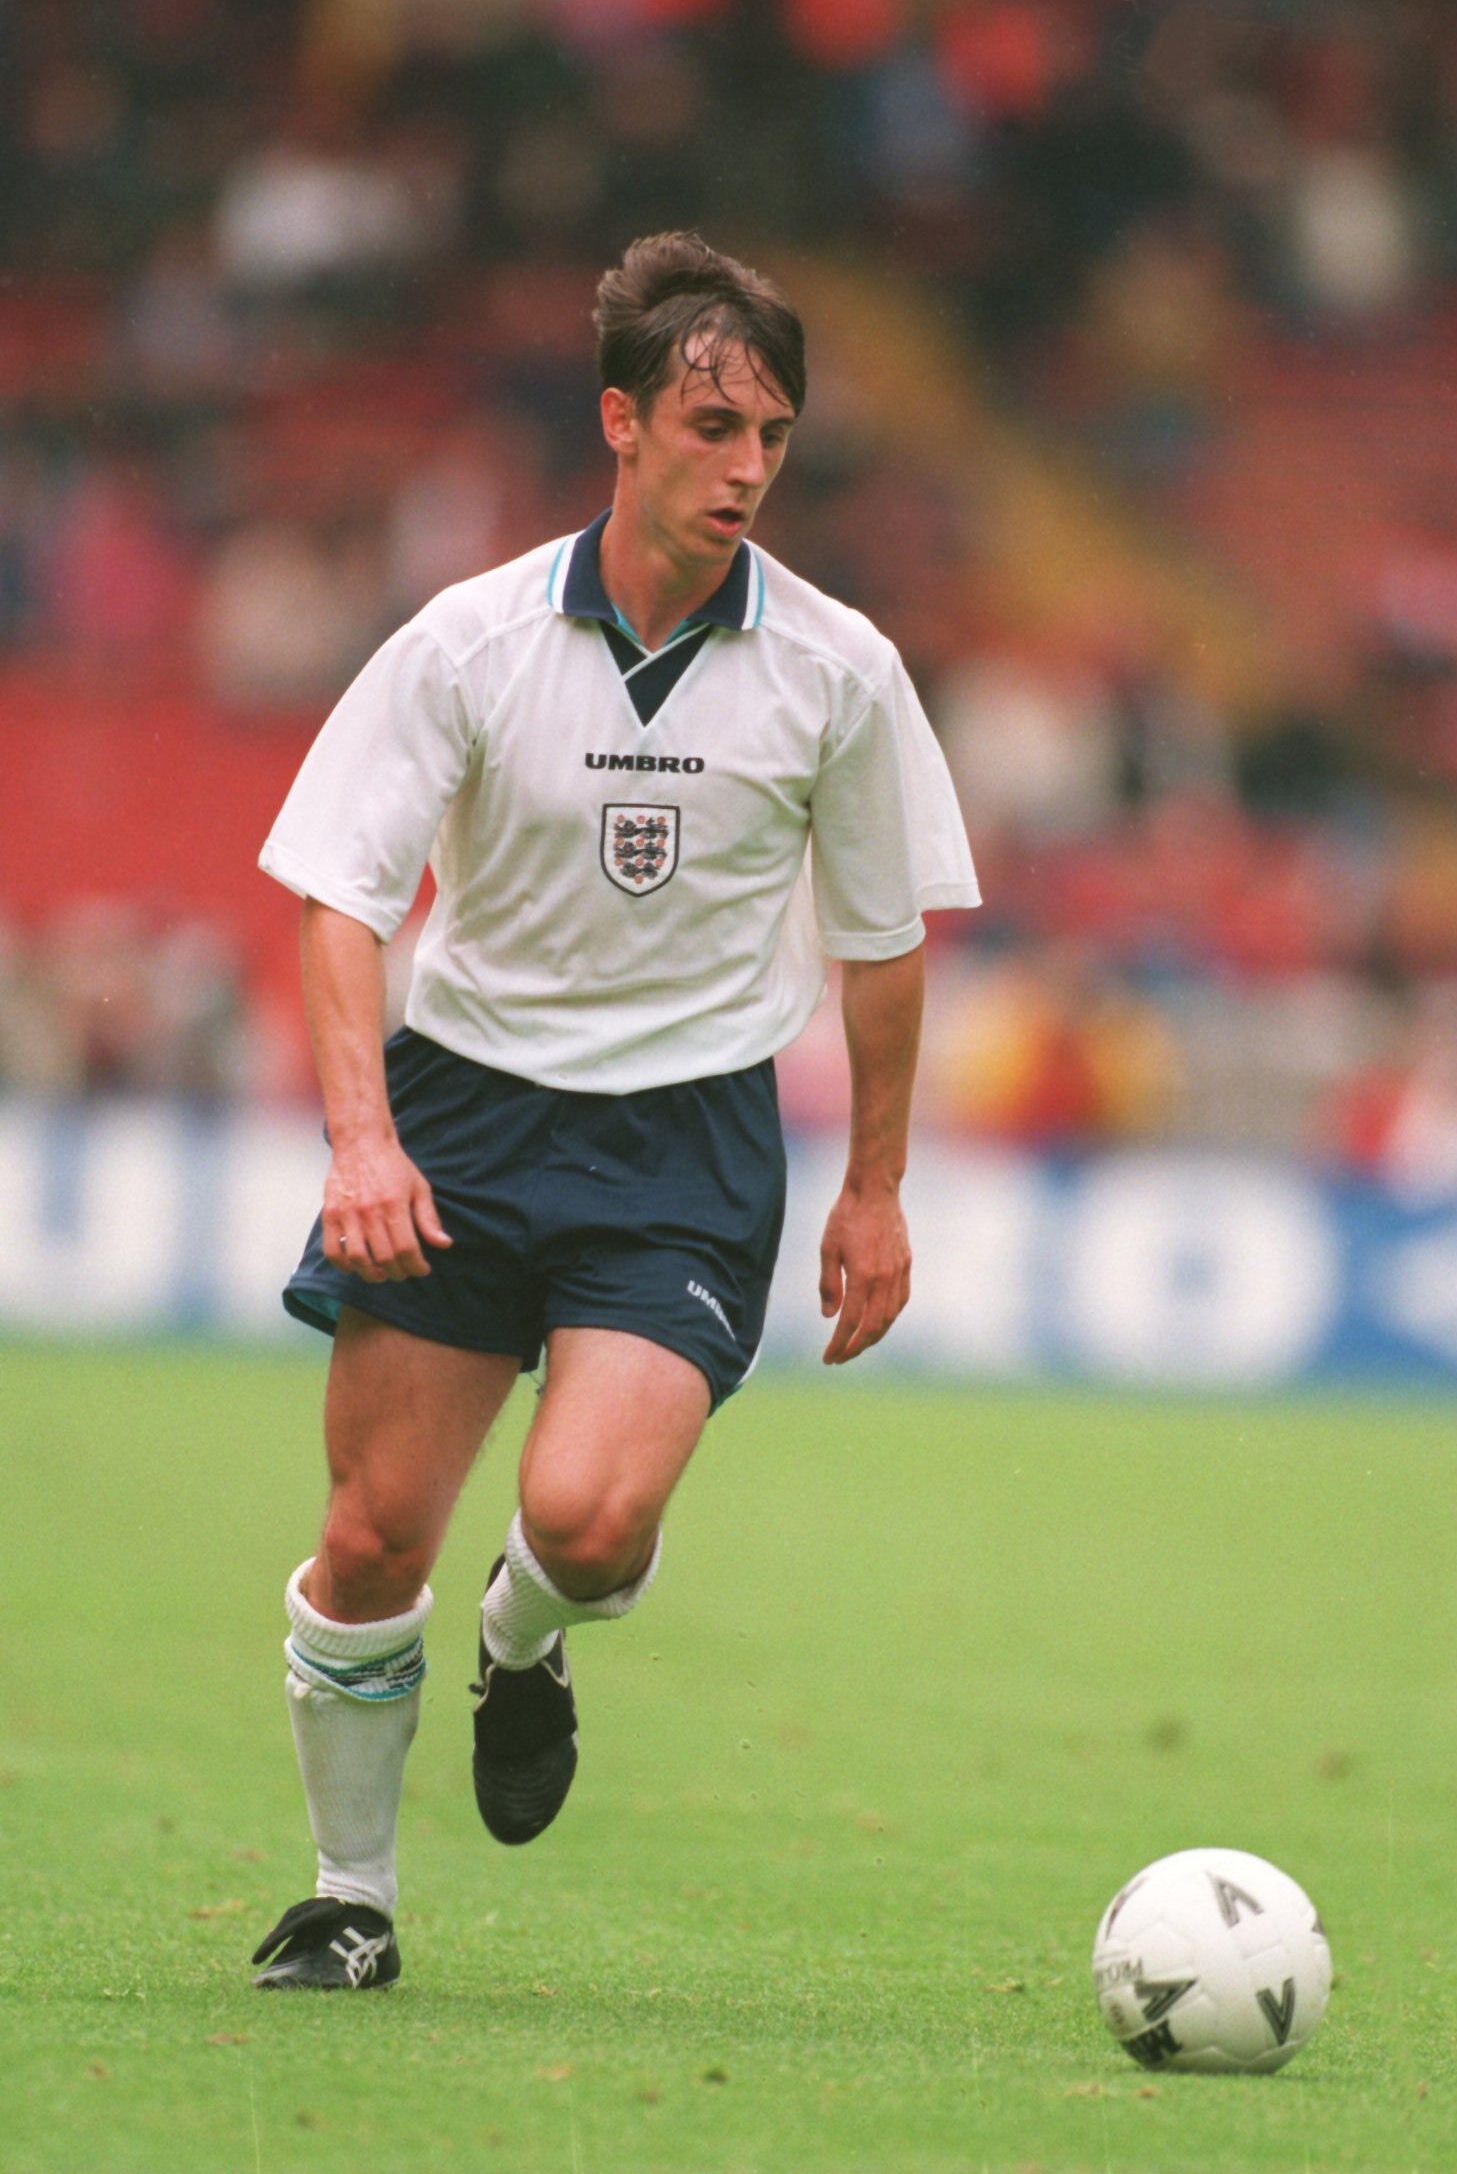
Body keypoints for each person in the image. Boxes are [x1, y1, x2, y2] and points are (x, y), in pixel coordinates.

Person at [249, 233, 979, 1990]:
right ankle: (353, 1897)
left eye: (775, 437)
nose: (745, 468)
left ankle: (525, 1639)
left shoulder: (841, 670)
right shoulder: (470, 638)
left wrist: (874, 1192)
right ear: (623, 423)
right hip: (466, 1118)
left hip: (683, 1144)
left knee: (584, 1522)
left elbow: (882, 951)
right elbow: (337, 899)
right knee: (366, 1539)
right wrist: (364, 1141)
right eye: (713, 424)